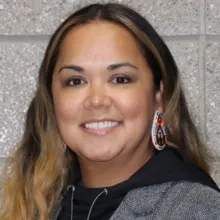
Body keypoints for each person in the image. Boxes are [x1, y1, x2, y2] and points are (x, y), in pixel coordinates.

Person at [0, 3, 220, 220]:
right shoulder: (34, 206)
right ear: (52, 101)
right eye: (75, 81)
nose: (96, 100)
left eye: (120, 79)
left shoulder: (198, 210)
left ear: (158, 97)